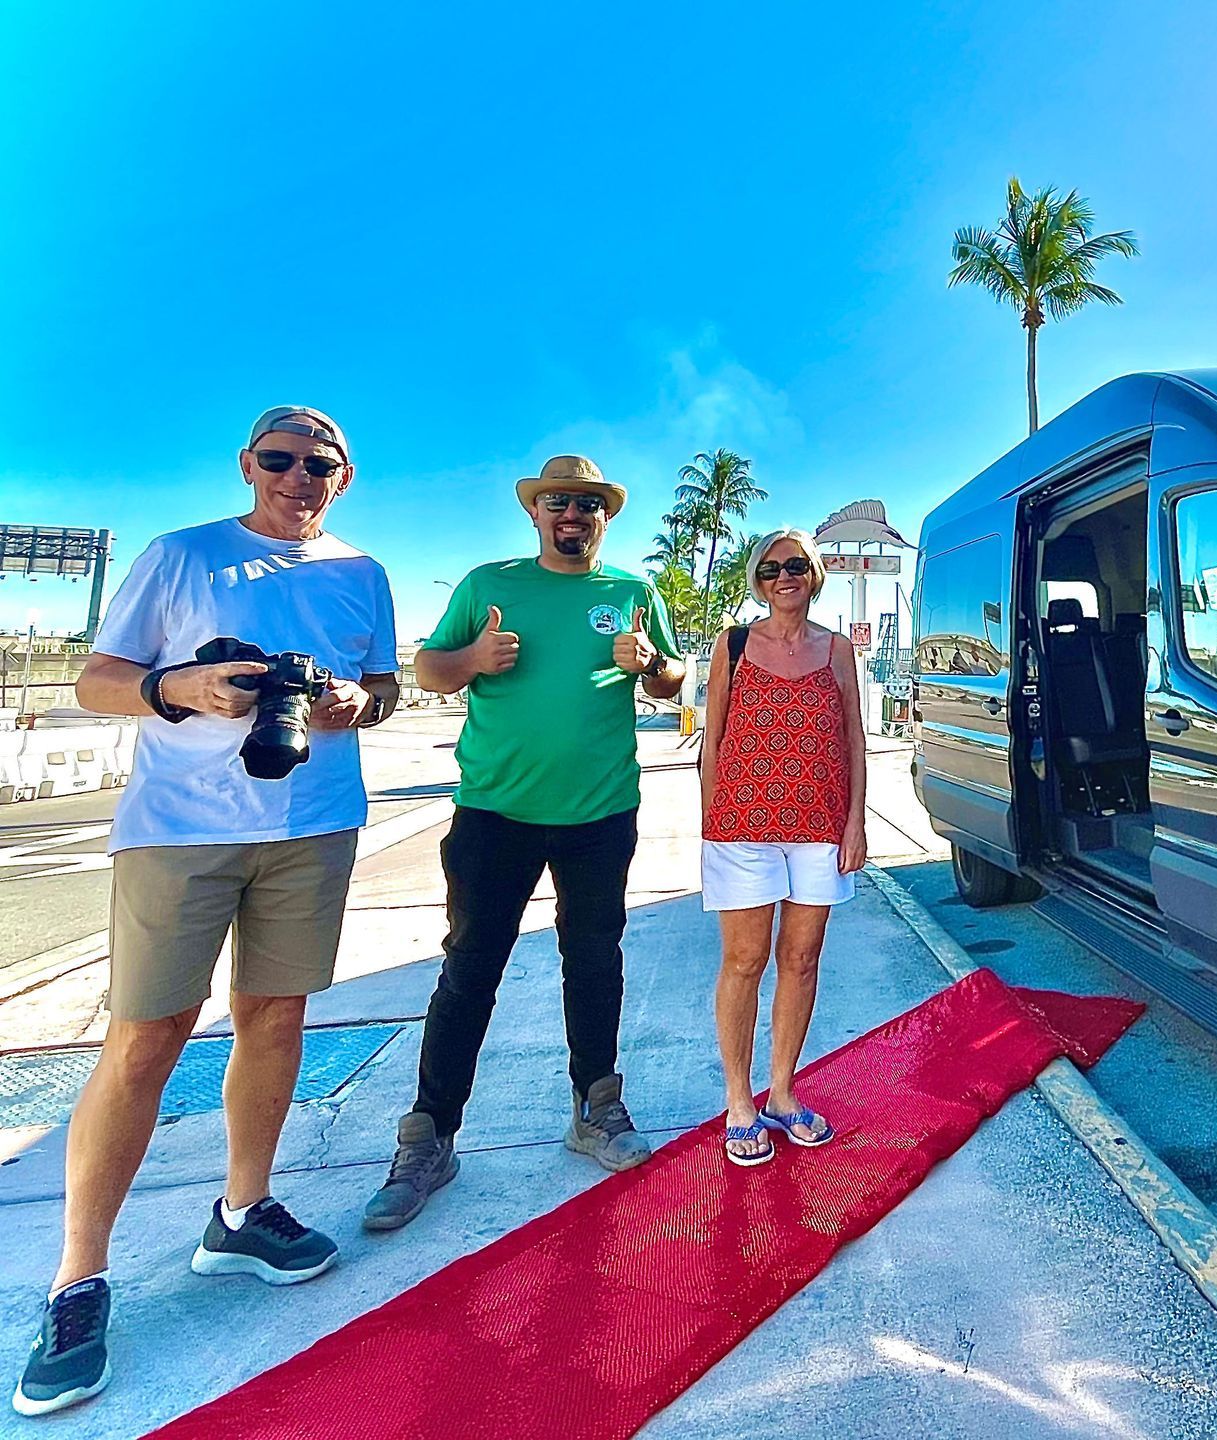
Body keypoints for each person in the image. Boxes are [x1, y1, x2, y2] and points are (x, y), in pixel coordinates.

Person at [13, 407, 398, 1418]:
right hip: (180, 828)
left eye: (319, 464)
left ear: (344, 477)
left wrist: (357, 703)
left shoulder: (362, 572)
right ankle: (78, 1279)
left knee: (276, 1017)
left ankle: (243, 1210)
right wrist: (178, 685)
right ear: (247, 465)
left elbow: (385, 684)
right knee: (147, 1037)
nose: (298, 477)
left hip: (314, 821)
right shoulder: (181, 555)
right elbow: (96, 682)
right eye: (279, 459)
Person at [363, 455, 685, 1231]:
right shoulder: (488, 585)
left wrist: (653, 666)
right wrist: (473, 660)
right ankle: (430, 1136)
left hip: (600, 813)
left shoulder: (633, 592)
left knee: (595, 961)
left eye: (586, 503)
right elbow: (429, 669)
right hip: (494, 814)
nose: (572, 514)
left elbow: (674, 677)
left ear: (604, 516)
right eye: (557, 502)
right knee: (470, 970)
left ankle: (596, 1108)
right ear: (535, 513)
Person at [700, 528, 867, 1167]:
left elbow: (854, 738)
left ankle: (783, 1092)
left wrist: (854, 822)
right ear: (757, 581)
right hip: (742, 827)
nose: (784, 577)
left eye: (795, 565)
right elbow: (713, 739)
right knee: (744, 961)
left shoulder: (838, 649)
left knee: (801, 959)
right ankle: (739, 1102)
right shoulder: (734, 645)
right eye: (770, 569)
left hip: (820, 828)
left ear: (814, 575)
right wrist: (711, 821)